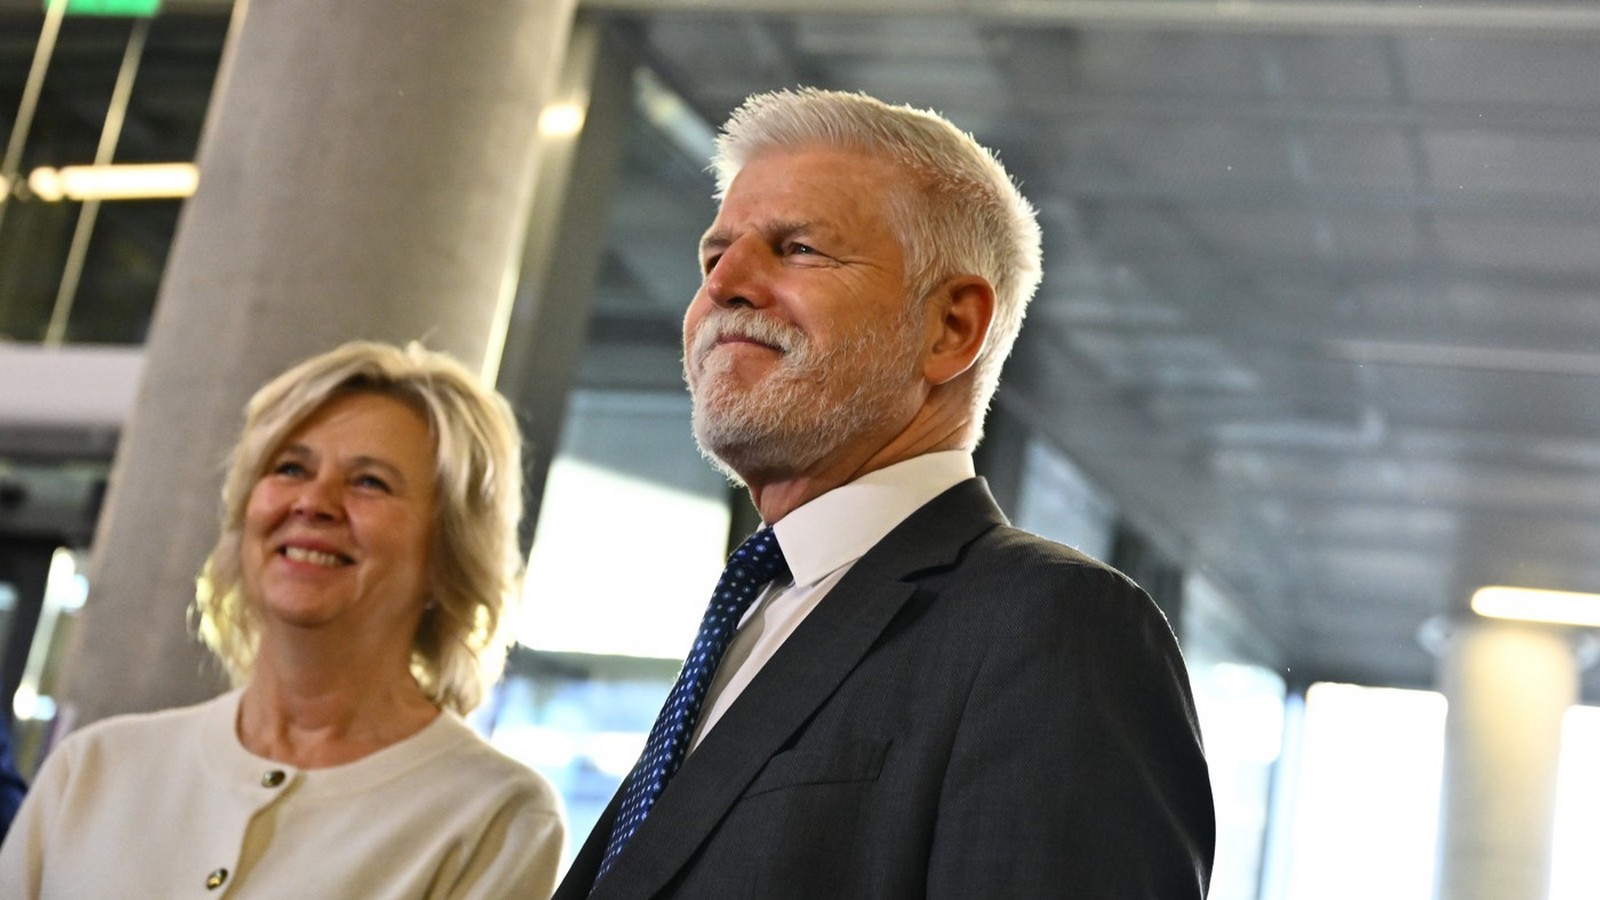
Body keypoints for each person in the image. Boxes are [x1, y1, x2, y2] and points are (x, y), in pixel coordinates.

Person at [555, 88, 1215, 898]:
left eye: (798, 248)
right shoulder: (754, 611)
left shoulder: (1054, 625)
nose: (724, 283)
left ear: (952, 328)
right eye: (713, 256)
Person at [0, 341, 565, 898]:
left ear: (450, 552)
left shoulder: (498, 816)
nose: (313, 502)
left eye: (369, 482)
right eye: (291, 468)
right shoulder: (91, 770)